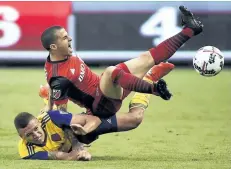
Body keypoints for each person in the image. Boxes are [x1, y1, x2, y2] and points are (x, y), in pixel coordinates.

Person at [42, 6, 203, 119]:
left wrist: (48, 105)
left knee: (146, 59)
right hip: (100, 106)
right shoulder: (59, 77)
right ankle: (153, 88)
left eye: (67, 35)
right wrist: (75, 141)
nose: (69, 38)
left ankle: (190, 30)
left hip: (108, 89)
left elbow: (51, 84)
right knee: (111, 71)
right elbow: (62, 114)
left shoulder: (61, 57)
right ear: (54, 47)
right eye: (65, 38)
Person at [15, 109, 102, 160]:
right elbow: (55, 155)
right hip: (66, 148)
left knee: (105, 123)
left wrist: (77, 147)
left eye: (36, 129)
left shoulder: (50, 117)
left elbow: (71, 125)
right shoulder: (25, 150)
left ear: (39, 122)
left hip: (81, 130)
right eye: (29, 134)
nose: (36, 135)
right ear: (21, 137)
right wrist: (74, 155)